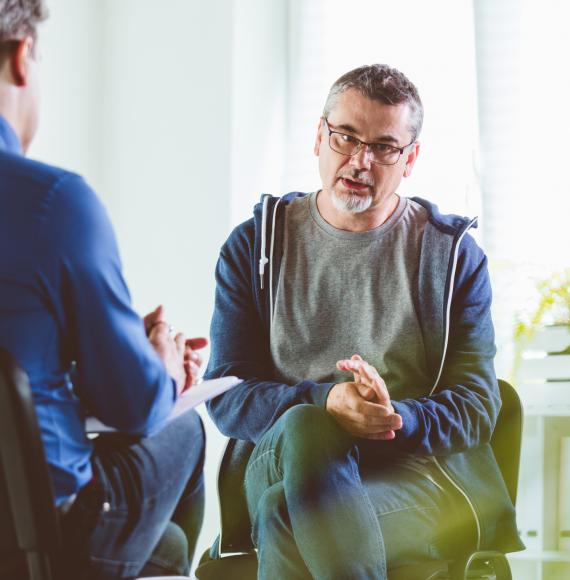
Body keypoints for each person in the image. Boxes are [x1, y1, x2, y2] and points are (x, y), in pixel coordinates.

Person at [204, 64, 523, 578]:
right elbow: (226, 391)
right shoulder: (256, 247)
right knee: (309, 426)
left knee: (285, 517)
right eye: (345, 138)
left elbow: (479, 405)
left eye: (383, 147)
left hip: (409, 477)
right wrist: (324, 400)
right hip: (280, 458)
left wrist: (393, 417)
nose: (360, 160)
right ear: (318, 137)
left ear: (410, 158)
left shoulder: (451, 255)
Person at [0, 1, 207, 577]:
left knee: (160, 545)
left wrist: (87, 346)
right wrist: (159, 359)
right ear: (23, 58)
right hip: (34, 535)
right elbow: (135, 406)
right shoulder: (53, 203)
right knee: (182, 428)